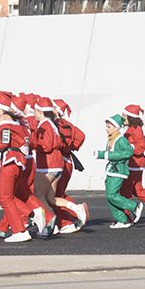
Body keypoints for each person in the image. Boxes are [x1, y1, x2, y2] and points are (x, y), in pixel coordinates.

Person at [33, 96, 88, 235]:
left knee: (38, 195)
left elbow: (46, 146)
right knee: (51, 198)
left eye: (35, 110)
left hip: (48, 164)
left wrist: (32, 144)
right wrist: (70, 147)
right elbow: (79, 136)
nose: (33, 113)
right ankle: (72, 211)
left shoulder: (47, 124)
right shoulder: (55, 124)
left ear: (41, 111)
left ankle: (52, 220)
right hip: (59, 163)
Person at [0, 91, 34, 242]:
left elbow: (4, 142)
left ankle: (20, 230)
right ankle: (34, 215)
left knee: (5, 199)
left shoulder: (5, 120)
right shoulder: (14, 120)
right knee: (10, 197)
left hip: (10, 160)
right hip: (17, 161)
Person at [95, 114, 143, 229]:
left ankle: (134, 206)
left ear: (116, 128)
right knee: (109, 196)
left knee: (112, 195)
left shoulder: (121, 140)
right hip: (111, 170)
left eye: (109, 127)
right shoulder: (111, 139)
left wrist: (104, 155)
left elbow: (128, 152)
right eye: (106, 126)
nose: (106, 129)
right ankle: (122, 220)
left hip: (118, 171)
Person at [52, 99, 90, 234]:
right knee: (58, 194)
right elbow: (81, 136)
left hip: (58, 162)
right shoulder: (67, 124)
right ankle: (64, 221)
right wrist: (71, 147)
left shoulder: (54, 124)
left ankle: (68, 219)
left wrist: (63, 147)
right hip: (68, 161)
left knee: (52, 195)